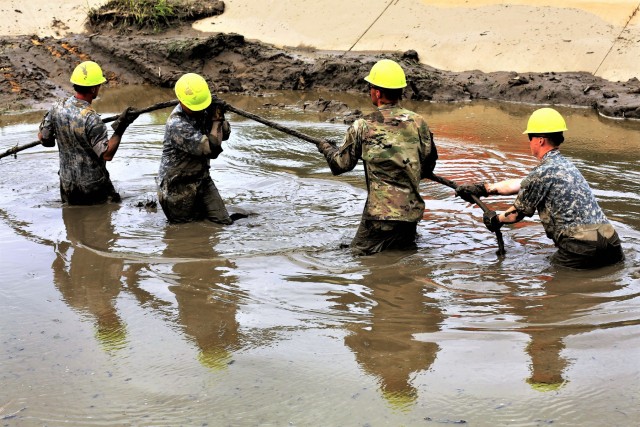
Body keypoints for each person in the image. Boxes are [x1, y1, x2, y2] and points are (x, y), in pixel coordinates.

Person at [456, 107, 624, 269]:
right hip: (611, 243)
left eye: (530, 137)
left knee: (551, 280)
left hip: (582, 249)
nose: (529, 142)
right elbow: (521, 184)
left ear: (540, 140)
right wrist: (483, 189)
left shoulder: (542, 173)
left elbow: (515, 214)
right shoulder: (565, 166)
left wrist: (495, 220)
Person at [316, 59, 438, 255]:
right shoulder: (419, 122)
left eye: (370, 87)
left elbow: (340, 165)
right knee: (403, 258)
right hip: (410, 214)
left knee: (354, 257)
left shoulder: (363, 125)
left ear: (377, 92)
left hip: (380, 216)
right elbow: (429, 163)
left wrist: (326, 148)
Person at [38, 60, 139, 205]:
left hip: (67, 185)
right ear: (93, 89)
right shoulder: (92, 119)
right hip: (93, 187)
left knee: (72, 225)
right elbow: (107, 154)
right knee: (100, 224)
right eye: (98, 85)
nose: (99, 88)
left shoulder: (56, 108)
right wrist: (122, 126)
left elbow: (45, 139)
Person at [157, 73, 241, 224]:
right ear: (181, 101)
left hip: (201, 179)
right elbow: (211, 150)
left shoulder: (205, 110)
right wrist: (215, 122)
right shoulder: (177, 124)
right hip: (178, 187)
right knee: (186, 233)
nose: (199, 110)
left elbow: (226, 134)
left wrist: (219, 116)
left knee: (224, 222)